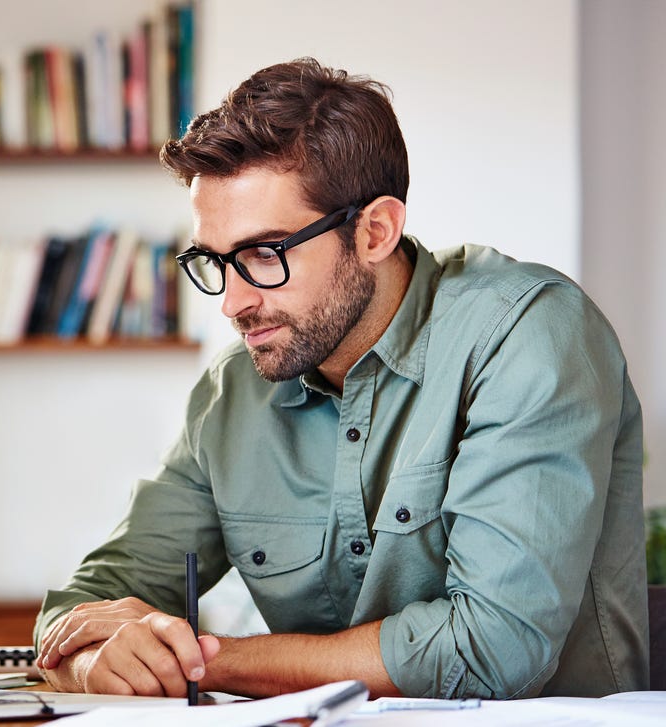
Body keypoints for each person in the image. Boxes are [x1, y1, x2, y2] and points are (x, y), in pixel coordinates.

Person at [33, 57, 648, 700]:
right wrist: (93, 660)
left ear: (375, 230)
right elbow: (85, 610)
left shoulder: (527, 334)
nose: (231, 304)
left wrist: (203, 662)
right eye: (215, 262)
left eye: (263, 255)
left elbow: (493, 648)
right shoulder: (231, 393)